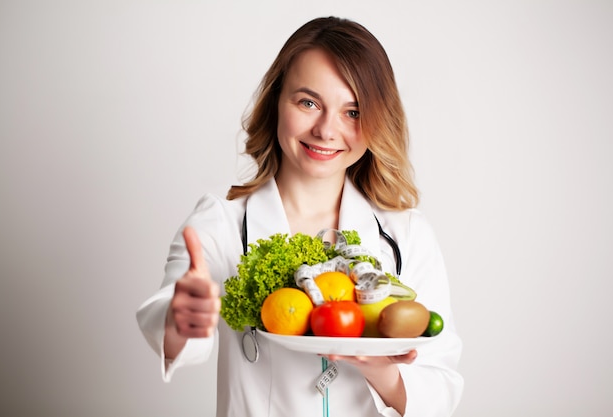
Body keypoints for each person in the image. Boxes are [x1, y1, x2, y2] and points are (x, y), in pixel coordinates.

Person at [137, 16, 463, 417]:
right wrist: (181, 318)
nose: (327, 130)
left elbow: (443, 386)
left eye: (353, 112)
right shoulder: (221, 225)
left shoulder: (406, 234)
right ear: (277, 101)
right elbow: (169, 326)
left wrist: (386, 376)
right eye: (308, 102)